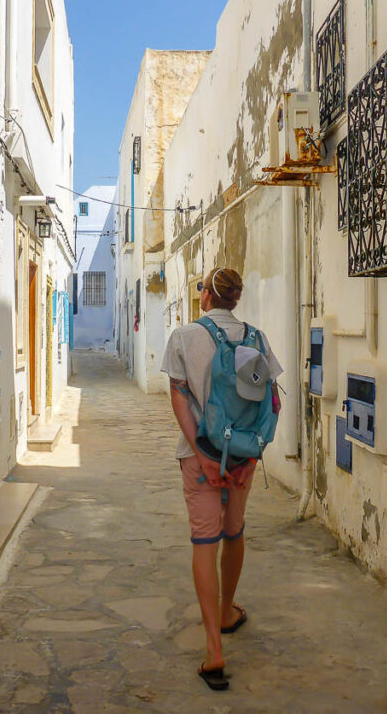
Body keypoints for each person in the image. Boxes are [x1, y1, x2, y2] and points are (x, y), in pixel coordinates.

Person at [161, 267, 283, 691]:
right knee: (234, 533)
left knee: (204, 541)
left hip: (202, 458)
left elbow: (178, 396)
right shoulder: (258, 338)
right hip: (244, 457)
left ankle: (214, 649)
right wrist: (251, 457)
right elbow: (272, 402)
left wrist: (203, 455)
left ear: (207, 297)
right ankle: (228, 610)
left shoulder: (183, 337)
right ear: (235, 299)